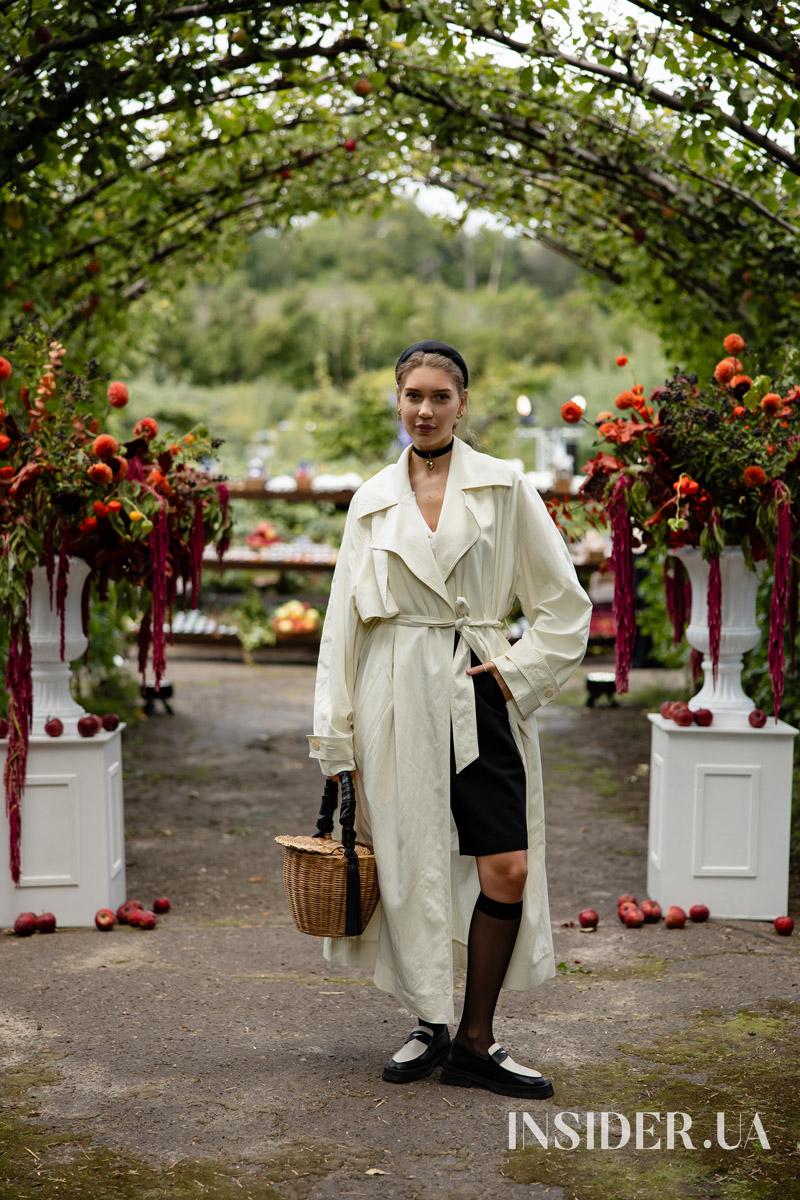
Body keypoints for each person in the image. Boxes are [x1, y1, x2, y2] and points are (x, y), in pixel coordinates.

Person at [306, 339, 593, 1098]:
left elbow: (565, 608)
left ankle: (476, 1037)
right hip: (393, 695)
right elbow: (342, 626)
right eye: (414, 396)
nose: (426, 409)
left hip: (481, 692)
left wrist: (514, 672)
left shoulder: (504, 488)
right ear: (397, 402)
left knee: (507, 866)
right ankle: (430, 1023)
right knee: (411, 865)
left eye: (441, 396)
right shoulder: (370, 501)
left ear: (463, 404)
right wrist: (335, 734)